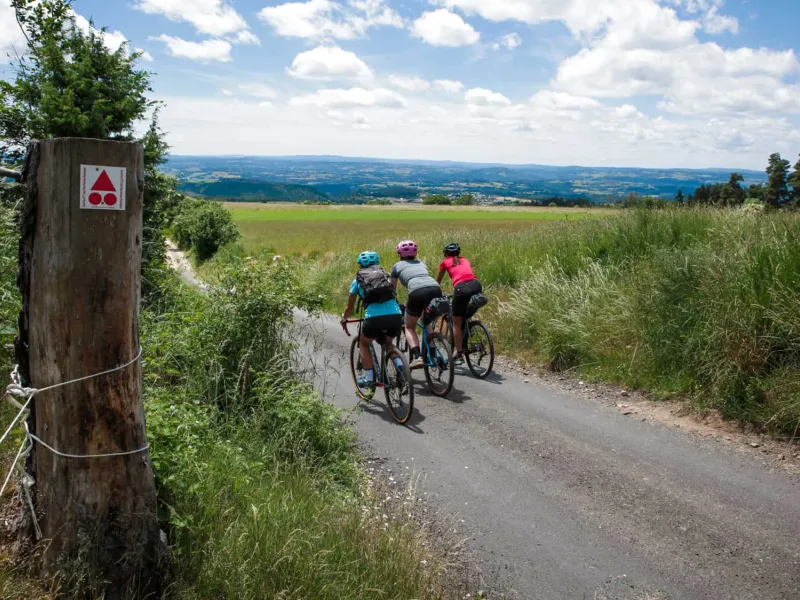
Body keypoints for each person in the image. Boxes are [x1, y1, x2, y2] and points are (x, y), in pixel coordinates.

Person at [340, 251, 404, 395]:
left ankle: (369, 379)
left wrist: (344, 318)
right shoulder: (385, 276)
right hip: (395, 315)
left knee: (364, 343)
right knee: (388, 343)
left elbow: (350, 306)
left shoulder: (358, 280)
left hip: (374, 318)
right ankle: (401, 367)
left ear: (360, 265)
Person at [390, 240, 443, 369]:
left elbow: (392, 289)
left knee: (409, 327)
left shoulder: (396, 266)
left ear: (399, 254)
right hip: (435, 289)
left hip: (417, 292)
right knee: (426, 322)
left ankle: (418, 357)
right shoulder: (421, 263)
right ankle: (434, 355)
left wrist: (393, 301)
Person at [437, 243, 483, 363]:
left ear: (446, 254)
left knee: (456, 323)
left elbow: (438, 282)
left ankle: (459, 354)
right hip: (476, 285)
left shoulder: (445, 262)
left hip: (461, 288)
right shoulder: (465, 260)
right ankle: (468, 329)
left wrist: (435, 293)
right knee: (466, 314)